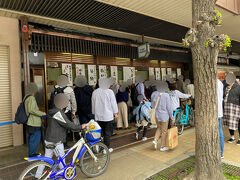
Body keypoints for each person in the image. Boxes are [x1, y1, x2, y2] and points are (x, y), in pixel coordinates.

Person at [35, 93, 87, 179]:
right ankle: (65, 175)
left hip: (49, 138)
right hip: (56, 139)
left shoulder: (54, 111)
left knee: (46, 158)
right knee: (61, 159)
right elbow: (68, 124)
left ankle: (37, 176)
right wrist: (80, 127)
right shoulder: (58, 113)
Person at [92, 77, 118, 152]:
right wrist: (115, 113)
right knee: (107, 133)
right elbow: (113, 103)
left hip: (98, 116)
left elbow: (93, 104)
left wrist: (94, 113)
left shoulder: (95, 92)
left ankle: (99, 147)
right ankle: (106, 149)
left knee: (100, 132)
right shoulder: (109, 92)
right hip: (107, 116)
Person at [54, 75, 77, 148]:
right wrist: (73, 112)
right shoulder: (69, 89)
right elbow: (73, 102)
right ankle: (64, 143)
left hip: (57, 111)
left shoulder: (55, 88)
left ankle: (58, 142)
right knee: (66, 127)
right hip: (66, 111)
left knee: (58, 127)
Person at [25, 83, 46, 157]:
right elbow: (31, 110)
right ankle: (32, 154)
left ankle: (32, 153)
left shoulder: (26, 97)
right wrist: (41, 113)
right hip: (34, 122)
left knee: (32, 138)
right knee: (35, 138)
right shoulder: (31, 98)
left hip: (30, 122)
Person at [151, 81, 174, 151]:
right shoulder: (166, 95)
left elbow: (152, 105)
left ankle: (155, 140)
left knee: (159, 128)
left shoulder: (153, 94)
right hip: (164, 116)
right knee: (164, 131)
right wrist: (172, 117)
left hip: (156, 115)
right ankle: (162, 146)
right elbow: (169, 107)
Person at [223, 73, 240, 145]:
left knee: (238, 123)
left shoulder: (238, 87)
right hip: (227, 109)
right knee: (230, 123)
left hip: (236, 109)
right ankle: (232, 137)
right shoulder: (225, 87)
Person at [217, 79, 224, 159]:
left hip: (213, 112)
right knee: (220, 130)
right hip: (219, 111)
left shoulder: (211, 82)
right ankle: (221, 153)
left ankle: (220, 152)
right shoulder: (220, 83)